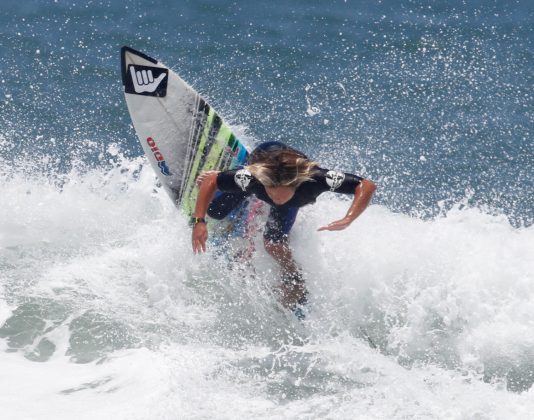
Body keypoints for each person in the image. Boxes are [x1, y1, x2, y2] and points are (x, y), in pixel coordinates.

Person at [191, 141, 376, 319]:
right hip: (263, 158)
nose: (276, 199)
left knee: (273, 244)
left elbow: (366, 185)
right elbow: (211, 182)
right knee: (215, 212)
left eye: (280, 195)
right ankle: (231, 175)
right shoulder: (254, 180)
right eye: (271, 194)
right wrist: (200, 221)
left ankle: (295, 279)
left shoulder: (316, 179)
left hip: (292, 171)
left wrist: (348, 218)